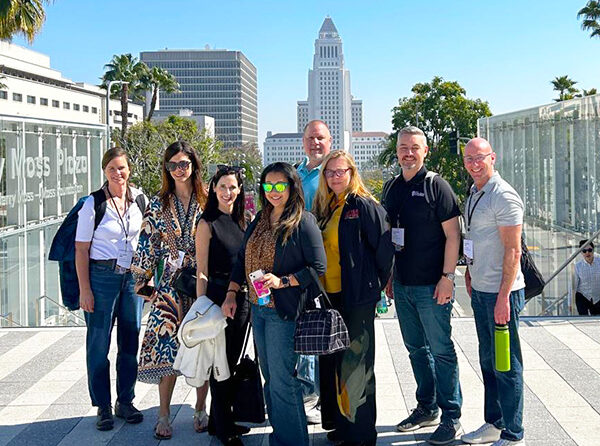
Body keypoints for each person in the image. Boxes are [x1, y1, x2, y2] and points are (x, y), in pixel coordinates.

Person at [222, 162, 326, 446]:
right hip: (259, 310)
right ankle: (281, 436)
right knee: (270, 377)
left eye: (281, 185)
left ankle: (293, 441)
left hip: (284, 312)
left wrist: (283, 281)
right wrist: (232, 292)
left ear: (292, 187)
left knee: (283, 380)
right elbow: (242, 259)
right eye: (269, 186)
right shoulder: (259, 220)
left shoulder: (303, 221)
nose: (274, 191)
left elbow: (319, 268)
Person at [381, 126, 463, 445]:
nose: (408, 153)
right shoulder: (391, 188)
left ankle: (452, 416)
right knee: (416, 349)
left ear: (425, 151)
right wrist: (389, 277)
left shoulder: (436, 186)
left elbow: (453, 236)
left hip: (433, 285)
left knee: (442, 350)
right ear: (397, 150)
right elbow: (390, 236)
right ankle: (426, 407)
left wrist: (448, 278)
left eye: (415, 147)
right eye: (403, 147)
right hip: (402, 285)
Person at [312, 151, 394, 446]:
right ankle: (343, 426)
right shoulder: (326, 206)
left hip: (357, 298)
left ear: (351, 172)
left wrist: (374, 286)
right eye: (329, 172)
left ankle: (361, 435)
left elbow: (385, 252)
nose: (335, 176)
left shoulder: (364, 206)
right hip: (331, 296)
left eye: (340, 171)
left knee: (357, 365)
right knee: (337, 362)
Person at [131, 140, 209, 440]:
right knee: (166, 347)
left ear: (193, 166)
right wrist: (142, 280)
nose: (179, 170)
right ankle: (163, 414)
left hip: (202, 283)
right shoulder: (157, 203)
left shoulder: (207, 201)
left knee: (203, 347)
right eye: (173, 164)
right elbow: (147, 242)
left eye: (184, 164)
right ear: (167, 168)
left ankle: (201, 408)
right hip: (169, 288)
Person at [75, 147, 146, 431]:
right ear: (104, 171)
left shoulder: (140, 198)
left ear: (130, 169)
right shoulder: (93, 203)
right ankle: (102, 405)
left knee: (130, 342)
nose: (118, 173)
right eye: (112, 169)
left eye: (122, 168)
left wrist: (147, 277)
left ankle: (125, 401)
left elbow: (148, 240)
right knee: (98, 344)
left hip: (131, 277)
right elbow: (81, 250)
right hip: (101, 275)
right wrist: (85, 290)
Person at [461, 137, 526, 446]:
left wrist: (503, 298)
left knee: (506, 363)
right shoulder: (475, 192)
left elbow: (513, 252)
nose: (474, 163)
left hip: (503, 294)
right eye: (469, 158)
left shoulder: (503, 195)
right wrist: (471, 273)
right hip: (483, 289)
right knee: (488, 360)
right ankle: (495, 423)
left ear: (493, 158)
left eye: (480, 157)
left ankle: (514, 435)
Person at [195, 165, 250, 446]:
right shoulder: (207, 223)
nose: (228, 192)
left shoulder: (244, 220)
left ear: (239, 190)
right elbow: (201, 270)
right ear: (213, 188)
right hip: (217, 299)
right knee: (221, 364)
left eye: (233, 187)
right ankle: (225, 428)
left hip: (242, 300)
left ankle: (219, 421)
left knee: (232, 360)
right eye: (222, 187)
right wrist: (201, 306)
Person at [296, 119, 333, 425]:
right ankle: (307, 393)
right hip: (297, 264)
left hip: (326, 264)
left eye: (320, 138)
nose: (315, 143)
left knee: (324, 329)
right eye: (310, 138)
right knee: (304, 329)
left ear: (329, 141)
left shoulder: (333, 174)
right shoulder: (296, 173)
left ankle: (324, 395)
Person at [572, 240, 600, 315]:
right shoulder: (577, 266)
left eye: (590, 250)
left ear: (593, 250)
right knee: (583, 319)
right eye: (584, 251)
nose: (587, 253)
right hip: (582, 296)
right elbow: (573, 286)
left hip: (597, 296)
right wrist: (570, 303)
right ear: (581, 252)